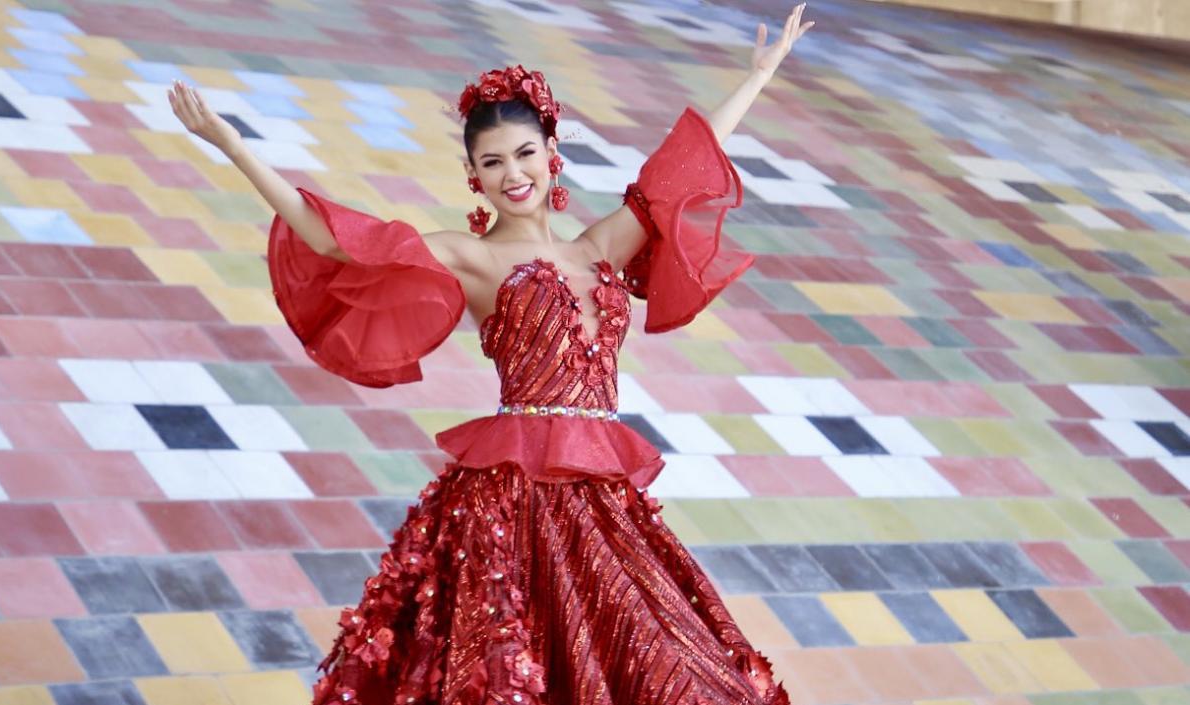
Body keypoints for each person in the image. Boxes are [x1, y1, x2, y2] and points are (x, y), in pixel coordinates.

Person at [169, 5, 813, 704]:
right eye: (492, 161)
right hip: (513, 501)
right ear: (474, 175)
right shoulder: (471, 256)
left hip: (600, 498)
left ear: (551, 153)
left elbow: (677, 171)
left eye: (525, 153)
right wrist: (233, 146)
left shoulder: (597, 247)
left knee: (669, 667)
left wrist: (757, 77)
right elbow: (336, 242)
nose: (514, 172)